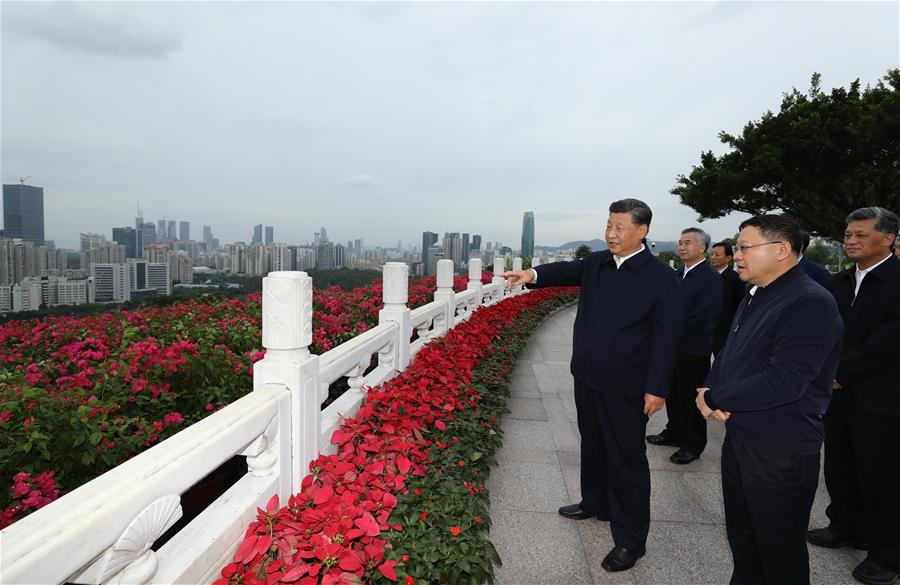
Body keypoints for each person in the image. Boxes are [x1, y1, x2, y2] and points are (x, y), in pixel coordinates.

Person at [503, 198, 682, 573]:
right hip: (587, 376)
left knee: (627, 460)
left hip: (628, 385)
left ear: (642, 231)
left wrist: (658, 388)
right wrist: (530, 275)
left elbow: (668, 338)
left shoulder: (661, 278)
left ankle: (631, 540)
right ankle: (595, 502)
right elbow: (565, 270)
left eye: (619, 228)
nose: (611, 234)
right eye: (608, 226)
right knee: (593, 443)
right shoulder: (598, 263)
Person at [695, 214, 843, 585]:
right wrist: (709, 389)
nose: (737, 255)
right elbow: (730, 352)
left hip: (781, 449)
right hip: (743, 437)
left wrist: (716, 395)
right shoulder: (757, 293)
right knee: (745, 543)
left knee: (778, 552)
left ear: (781, 250)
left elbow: (786, 380)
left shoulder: (810, 302)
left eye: (745, 248)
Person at [806, 206, 900, 585]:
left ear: (888, 238)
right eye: (848, 234)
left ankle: (887, 555)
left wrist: (839, 371)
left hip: (883, 398)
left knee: (882, 477)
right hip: (836, 396)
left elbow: (889, 341)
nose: (851, 240)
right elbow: (820, 330)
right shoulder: (839, 281)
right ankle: (845, 526)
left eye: (861, 234)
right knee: (840, 465)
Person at [646, 228, 722, 464]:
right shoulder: (678, 275)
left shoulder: (711, 278)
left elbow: (704, 315)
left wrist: (668, 330)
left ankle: (693, 444)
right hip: (671, 348)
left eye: (687, 243)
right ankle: (674, 432)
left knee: (690, 398)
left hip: (693, 348)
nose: (681, 247)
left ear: (702, 248)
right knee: (673, 393)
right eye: (680, 243)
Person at [708, 241, 745, 357]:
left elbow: (740, 305)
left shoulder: (736, 279)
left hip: (725, 332)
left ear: (728, 258)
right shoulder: (705, 276)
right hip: (704, 330)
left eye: (717, 255)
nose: (712, 257)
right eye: (712, 254)